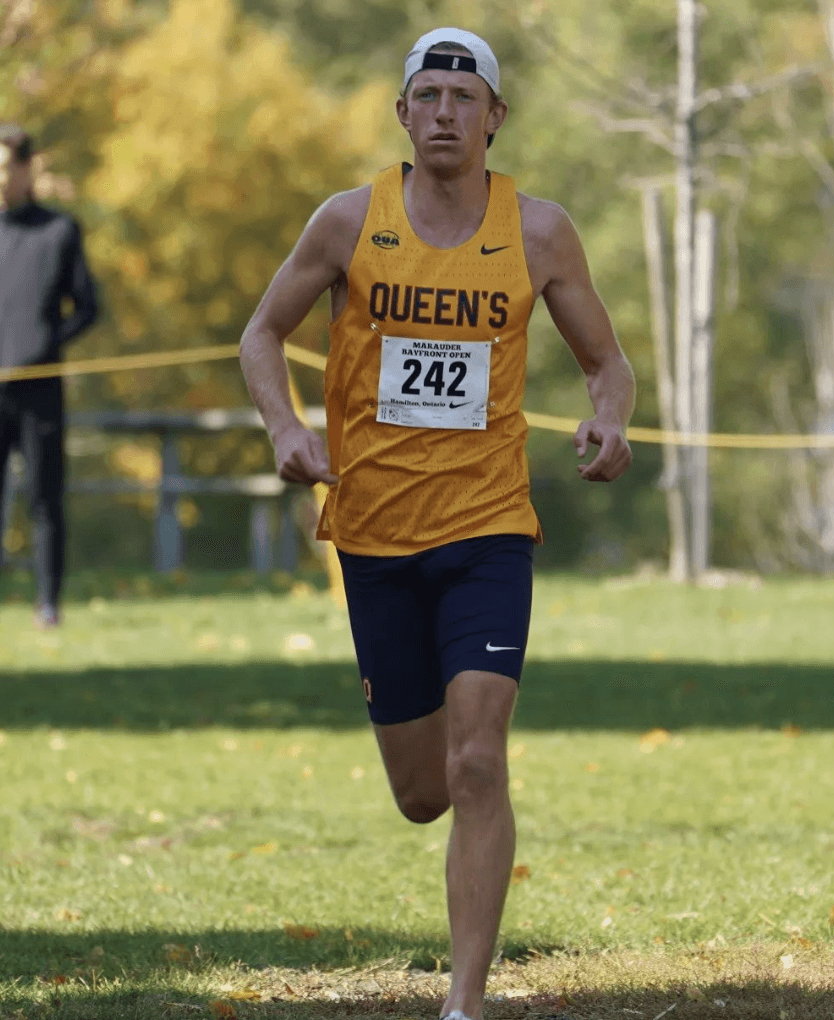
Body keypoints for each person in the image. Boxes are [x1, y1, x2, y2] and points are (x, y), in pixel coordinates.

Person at [240, 27, 635, 1020]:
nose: (446, 112)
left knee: (479, 757)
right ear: (403, 114)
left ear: (495, 117)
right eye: (429, 95)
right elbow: (261, 334)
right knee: (423, 792)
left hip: (488, 527)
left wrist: (611, 417)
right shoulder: (347, 222)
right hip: (374, 531)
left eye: (465, 97)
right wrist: (285, 427)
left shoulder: (539, 232)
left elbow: (606, 361)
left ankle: (464, 1001)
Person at [0, 124, 99, 628]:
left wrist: (45, 343)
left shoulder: (59, 230)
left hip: (39, 389)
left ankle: (47, 605)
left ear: (25, 168)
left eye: (4, 168)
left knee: (44, 497)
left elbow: (87, 306)